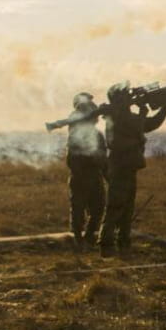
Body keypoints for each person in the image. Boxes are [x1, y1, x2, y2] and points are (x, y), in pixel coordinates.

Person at [98, 81, 166, 257]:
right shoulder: (116, 117)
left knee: (127, 208)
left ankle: (123, 243)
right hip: (120, 167)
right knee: (115, 206)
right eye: (126, 96)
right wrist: (143, 110)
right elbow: (138, 125)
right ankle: (106, 245)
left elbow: (150, 124)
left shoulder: (125, 116)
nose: (129, 98)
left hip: (128, 167)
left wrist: (165, 108)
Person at [65, 92, 107, 248]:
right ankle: (78, 238)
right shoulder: (75, 128)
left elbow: (103, 157)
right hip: (80, 175)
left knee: (98, 209)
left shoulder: (97, 135)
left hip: (94, 175)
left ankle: (88, 238)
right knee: (78, 210)